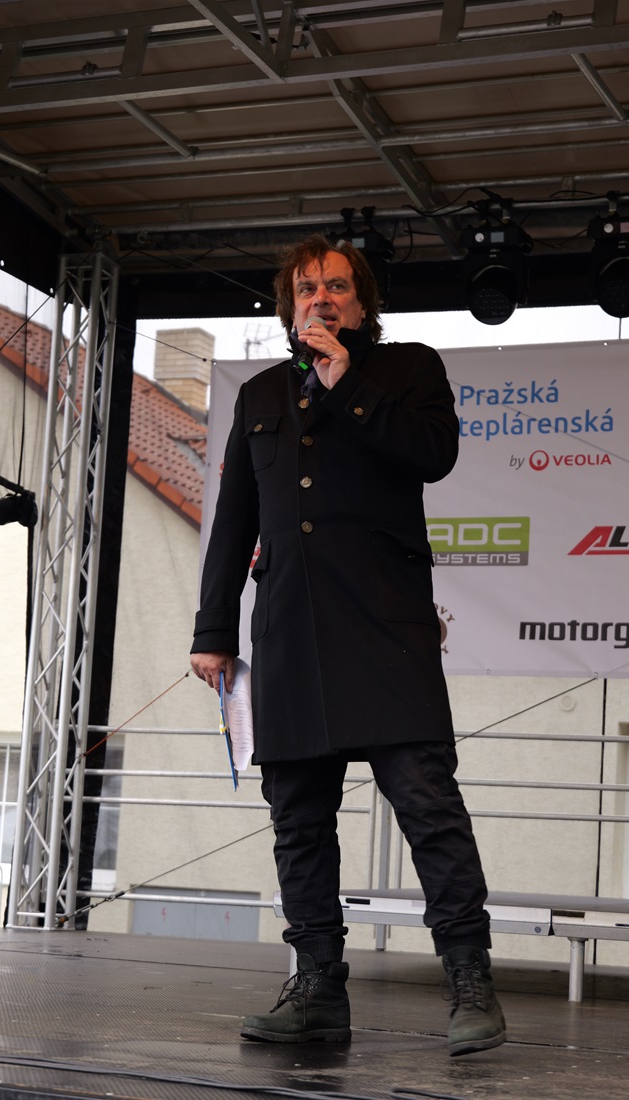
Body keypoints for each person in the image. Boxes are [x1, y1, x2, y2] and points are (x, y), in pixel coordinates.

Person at [190, 234, 505, 1056]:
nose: (319, 298)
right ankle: (317, 988)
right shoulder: (259, 394)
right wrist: (212, 630)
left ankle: (469, 979)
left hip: (384, 625)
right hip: (289, 630)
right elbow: (235, 520)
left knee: (428, 806)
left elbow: (432, 456)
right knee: (297, 819)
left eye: (334, 286)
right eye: (305, 288)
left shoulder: (406, 369)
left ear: (361, 303)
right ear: (288, 305)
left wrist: (344, 382)